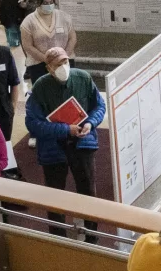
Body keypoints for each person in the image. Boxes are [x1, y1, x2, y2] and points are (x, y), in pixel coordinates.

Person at [27, 47, 104, 212]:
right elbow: (33, 124)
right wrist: (65, 130)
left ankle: (92, 236)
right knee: (55, 197)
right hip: (53, 148)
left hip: (83, 142)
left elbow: (99, 106)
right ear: (48, 68)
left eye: (65, 61)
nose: (63, 67)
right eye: (57, 64)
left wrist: (90, 123)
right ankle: (57, 235)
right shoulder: (40, 87)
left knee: (88, 192)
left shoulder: (83, 78)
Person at [20, 0, 76, 85]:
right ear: (38, 3)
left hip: (64, 61)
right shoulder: (28, 22)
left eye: (51, 2)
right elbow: (27, 46)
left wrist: (63, 57)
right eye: (45, 3)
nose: (49, 5)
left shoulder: (64, 17)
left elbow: (72, 38)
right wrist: (47, 59)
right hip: (39, 65)